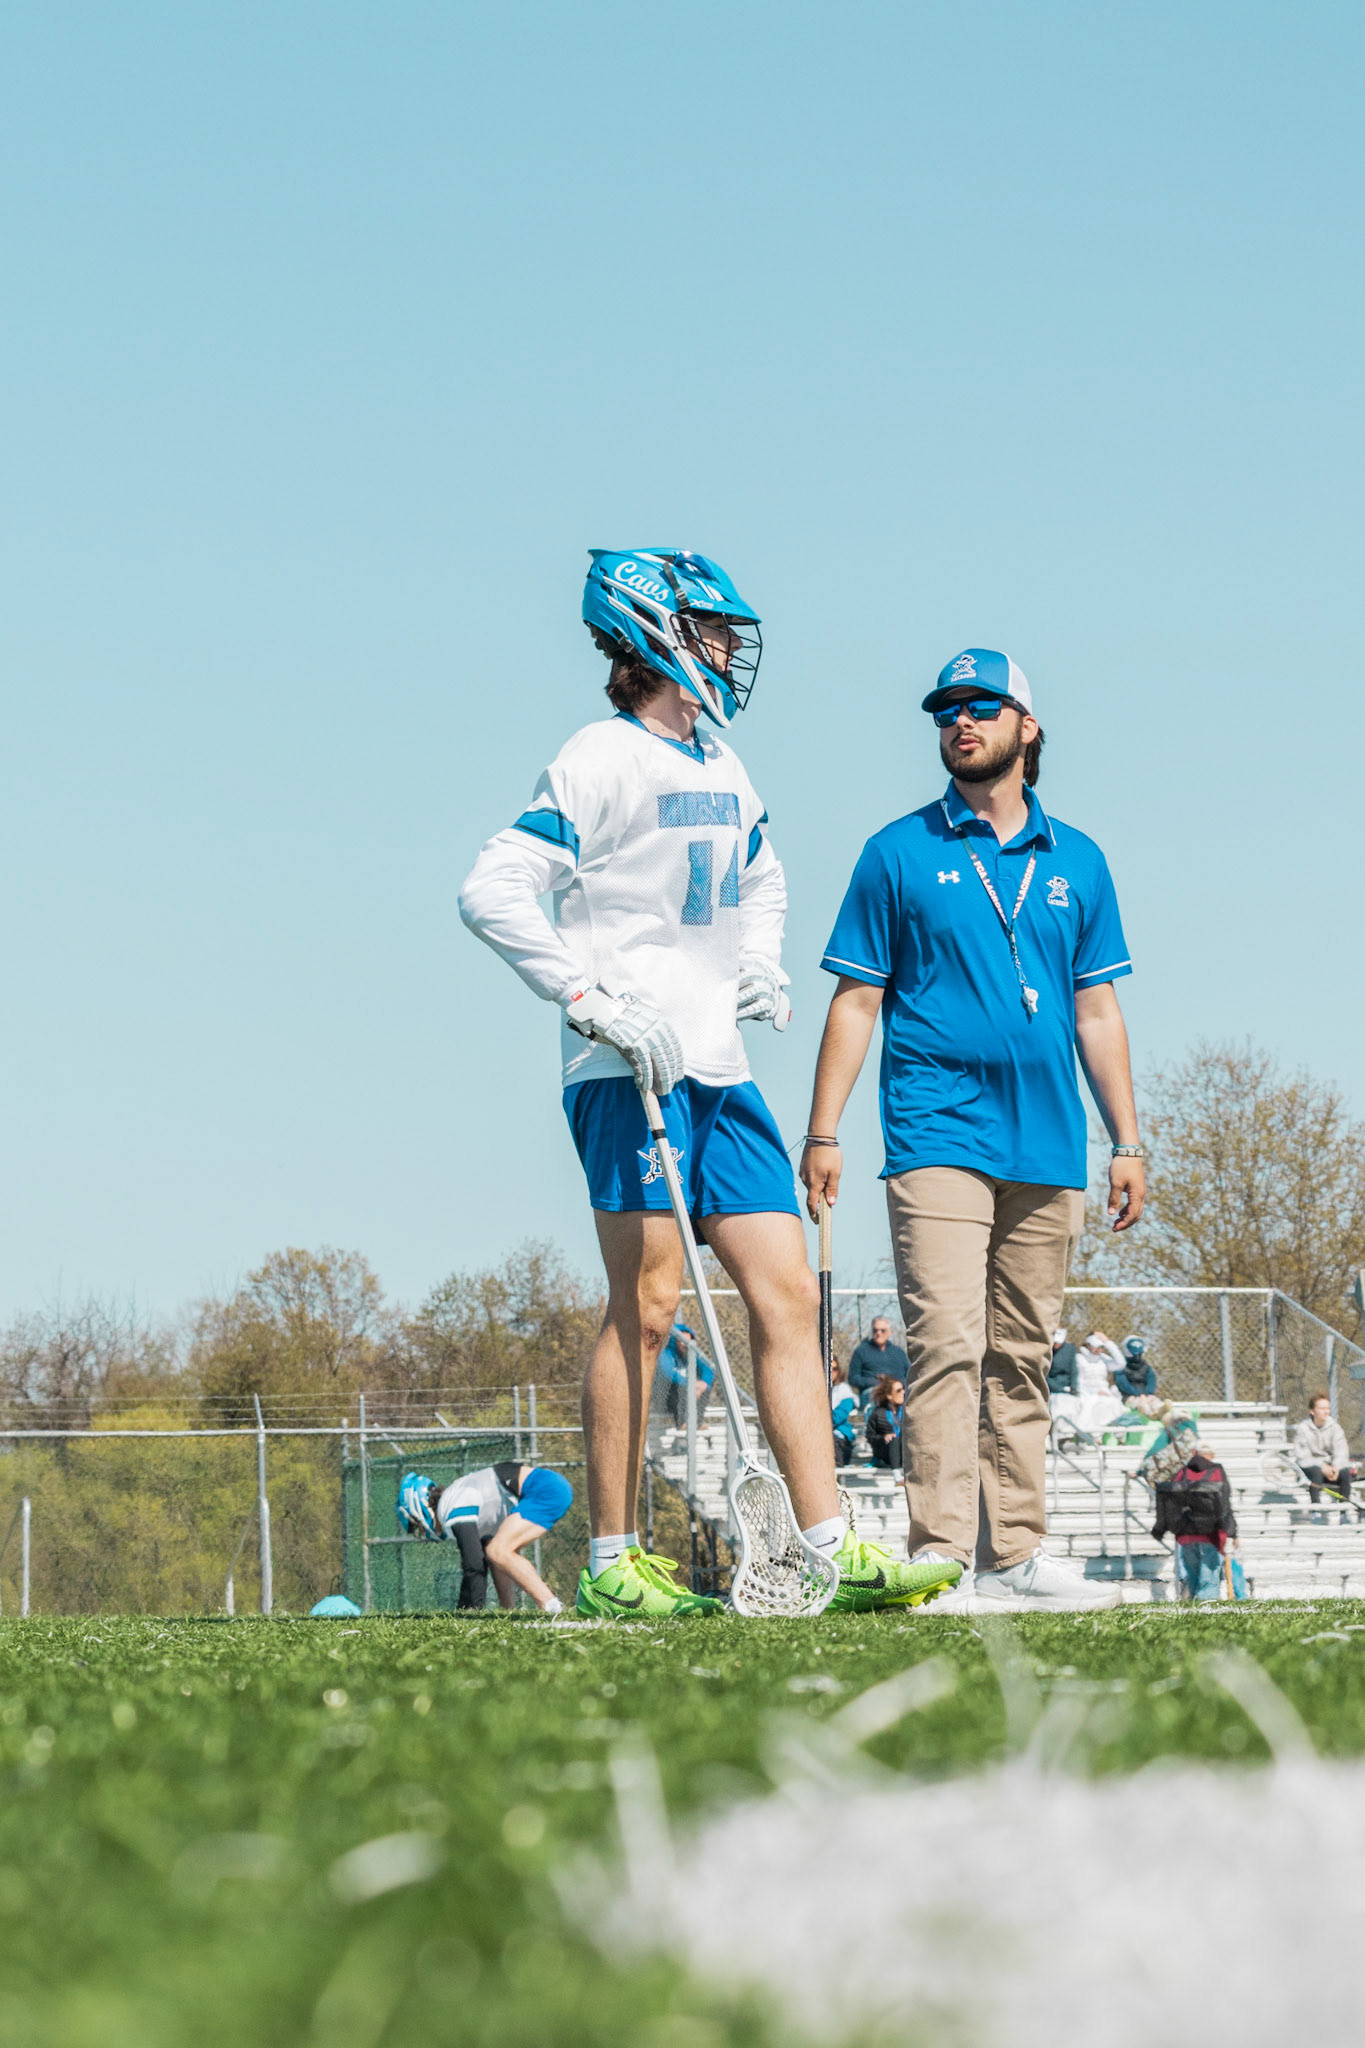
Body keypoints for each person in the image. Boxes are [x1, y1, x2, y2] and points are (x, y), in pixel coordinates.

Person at [459, 547, 959, 1619]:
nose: (732, 649)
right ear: (657, 632)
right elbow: (492, 889)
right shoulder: (599, 755)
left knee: (788, 1295)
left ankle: (829, 1548)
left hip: (721, 1071)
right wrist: (587, 998)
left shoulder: (725, 763)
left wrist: (759, 961)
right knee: (647, 1308)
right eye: (716, 630)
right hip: (626, 1071)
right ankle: (611, 1560)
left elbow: (761, 873)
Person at [802, 646, 1145, 1611]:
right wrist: (823, 1131)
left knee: (1022, 1357)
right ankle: (943, 1558)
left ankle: (1015, 1556)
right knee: (948, 1347)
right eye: (946, 709)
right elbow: (855, 1000)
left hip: (1049, 1143)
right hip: (935, 1133)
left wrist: (1126, 1140)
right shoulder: (896, 852)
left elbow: (1096, 1012)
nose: (959, 721)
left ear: (1026, 728)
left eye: (981, 706)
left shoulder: (1078, 860)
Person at [396, 1463, 573, 1614]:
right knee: (495, 1552)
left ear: (420, 1508)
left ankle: (552, 1606)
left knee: (498, 1551)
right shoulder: (453, 1498)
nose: (421, 1532)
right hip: (544, 1486)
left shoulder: (448, 1507)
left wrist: (471, 1611)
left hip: (543, 1489)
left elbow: (473, 1564)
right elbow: (484, 1560)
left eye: (416, 1526)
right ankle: (509, 1612)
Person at [1149, 1440, 1237, 1602]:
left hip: (1186, 1532)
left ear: (1194, 1453)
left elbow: (1172, 1499)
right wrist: (1232, 1531)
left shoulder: (1182, 1472)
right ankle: (1207, 1602)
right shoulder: (1217, 1471)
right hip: (1211, 1532)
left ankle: (1194, 1600)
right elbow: (1225, 1503)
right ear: (1211, 1455)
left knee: (1192, 1570)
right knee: (1209, 1570)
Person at [1293, 1393, 1356, 1504]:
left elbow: (1341, 1451)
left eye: (1327, 1408)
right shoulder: (1302, 1429)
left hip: (1331, 1469)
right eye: (1322, 1409)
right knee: (1316, 1473)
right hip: (1310, 1469)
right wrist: (1322, 1467)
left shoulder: (1335, 1427)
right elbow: (1303, 1457)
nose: (1326, 1411)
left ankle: (1344, 1509)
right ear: (1312, 1411)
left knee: (1345, 1473)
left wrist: (1336, 1468)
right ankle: (1316, 1509)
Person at [659, 1319, 715, 1429]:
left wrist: (704, 1384)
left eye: (687, 1341)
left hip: (692, 1391)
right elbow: (668, 1374)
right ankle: (682, 1422)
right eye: (681, 1341)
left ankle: (697, 1422)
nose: (684, 1345)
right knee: (676, 1386)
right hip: (670, 1397)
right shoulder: (666, 1354)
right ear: (675, 1341)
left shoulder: (692, 1354)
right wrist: (690, 1384)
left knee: (706, 1386)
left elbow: (708, 1369)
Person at [847, 1316, 911, 1409]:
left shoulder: (899, 1353)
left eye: (883, 1330)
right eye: (875, 1330)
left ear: (890, 1332)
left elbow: (910, 1374)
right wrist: (872, 1382)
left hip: (899, 1391)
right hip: (872, 1393)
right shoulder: (861, 1351)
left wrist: (897, 1384)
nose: (878, 1333)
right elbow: (853, 1378)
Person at [865, 1375, 905, 1470]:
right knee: (893, 1440)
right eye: (898, 1390)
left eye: (903, 1389)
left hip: (903, 1452)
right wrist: (884, 1437)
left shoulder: (907, 1412)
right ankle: (896, 1474)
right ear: (889, 1395)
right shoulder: (877, 1413)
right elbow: (870, 1436)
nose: (903, 1392)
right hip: (885, 1453)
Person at [830, 1358, 858, 1468]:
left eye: (834, 1368)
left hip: (840, 1438)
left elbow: (836, 1418)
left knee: (832, 1441)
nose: (831, 1371)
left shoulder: (844, 1391)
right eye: (827, 1367)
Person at [1114, 1335, 1156, 1400]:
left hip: (1145, 1396)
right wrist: (1137, 1394)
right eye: (1133, 1354)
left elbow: (1151, 1380)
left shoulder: (1146, 1367)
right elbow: (1122, 1384)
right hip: (1128, 1396)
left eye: (1139, 1354)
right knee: (1134, 1401)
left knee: (1153, 1401)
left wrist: (1147, 1394)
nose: (1137, 1357)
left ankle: (1160, 1406)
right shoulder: (1121, 1367)